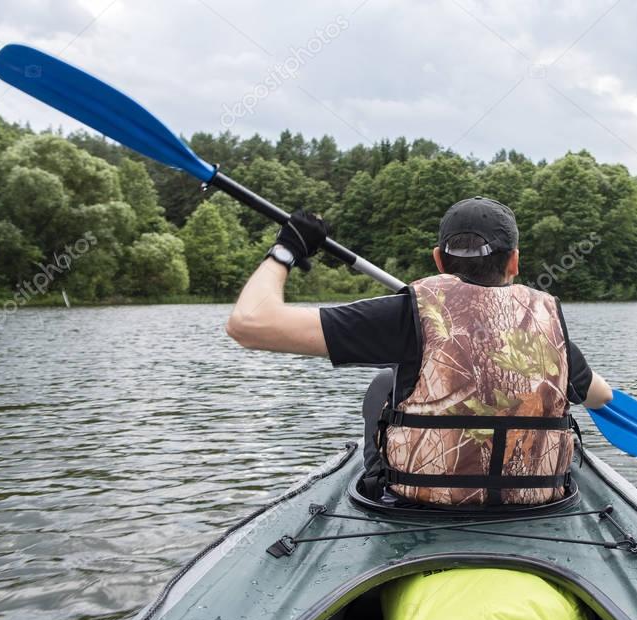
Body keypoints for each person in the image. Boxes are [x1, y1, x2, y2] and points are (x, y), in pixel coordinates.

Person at [226, 196, 612, 506]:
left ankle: (378, 489)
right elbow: (601, 396)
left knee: (385, 383)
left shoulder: (407, 314)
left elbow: (249, 324)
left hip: (420, 505)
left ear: (439, 260)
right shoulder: (548, 327)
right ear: (514, 261)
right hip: (536, 507)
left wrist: (285, 250)